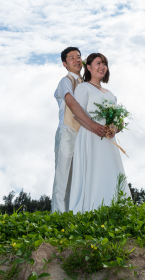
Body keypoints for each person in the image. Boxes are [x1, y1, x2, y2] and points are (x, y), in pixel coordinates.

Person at [68, 53, 132, 212]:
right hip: (90, 137)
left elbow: (119, 120)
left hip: (109, 141)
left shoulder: (110, 93)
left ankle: (116, 208)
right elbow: (78, 115)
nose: (102, 67)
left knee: (110, 171)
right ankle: (93, 209)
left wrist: (114, 129)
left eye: (104, 64)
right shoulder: (83, 88)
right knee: (94, 171)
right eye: (98, 63)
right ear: (88, 67)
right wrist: (95, 128)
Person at [52, 47, 106, 213]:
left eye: (79, 57)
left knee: (79, 177)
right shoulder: (66, 81)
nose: (77, 60)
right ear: (64, 64)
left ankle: (76, 213)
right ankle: (59, 216)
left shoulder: (87, 85)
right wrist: (92, 125)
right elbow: (72, 103)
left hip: (84, 135)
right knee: (64, 176)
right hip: (68, 132)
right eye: (71, 58)